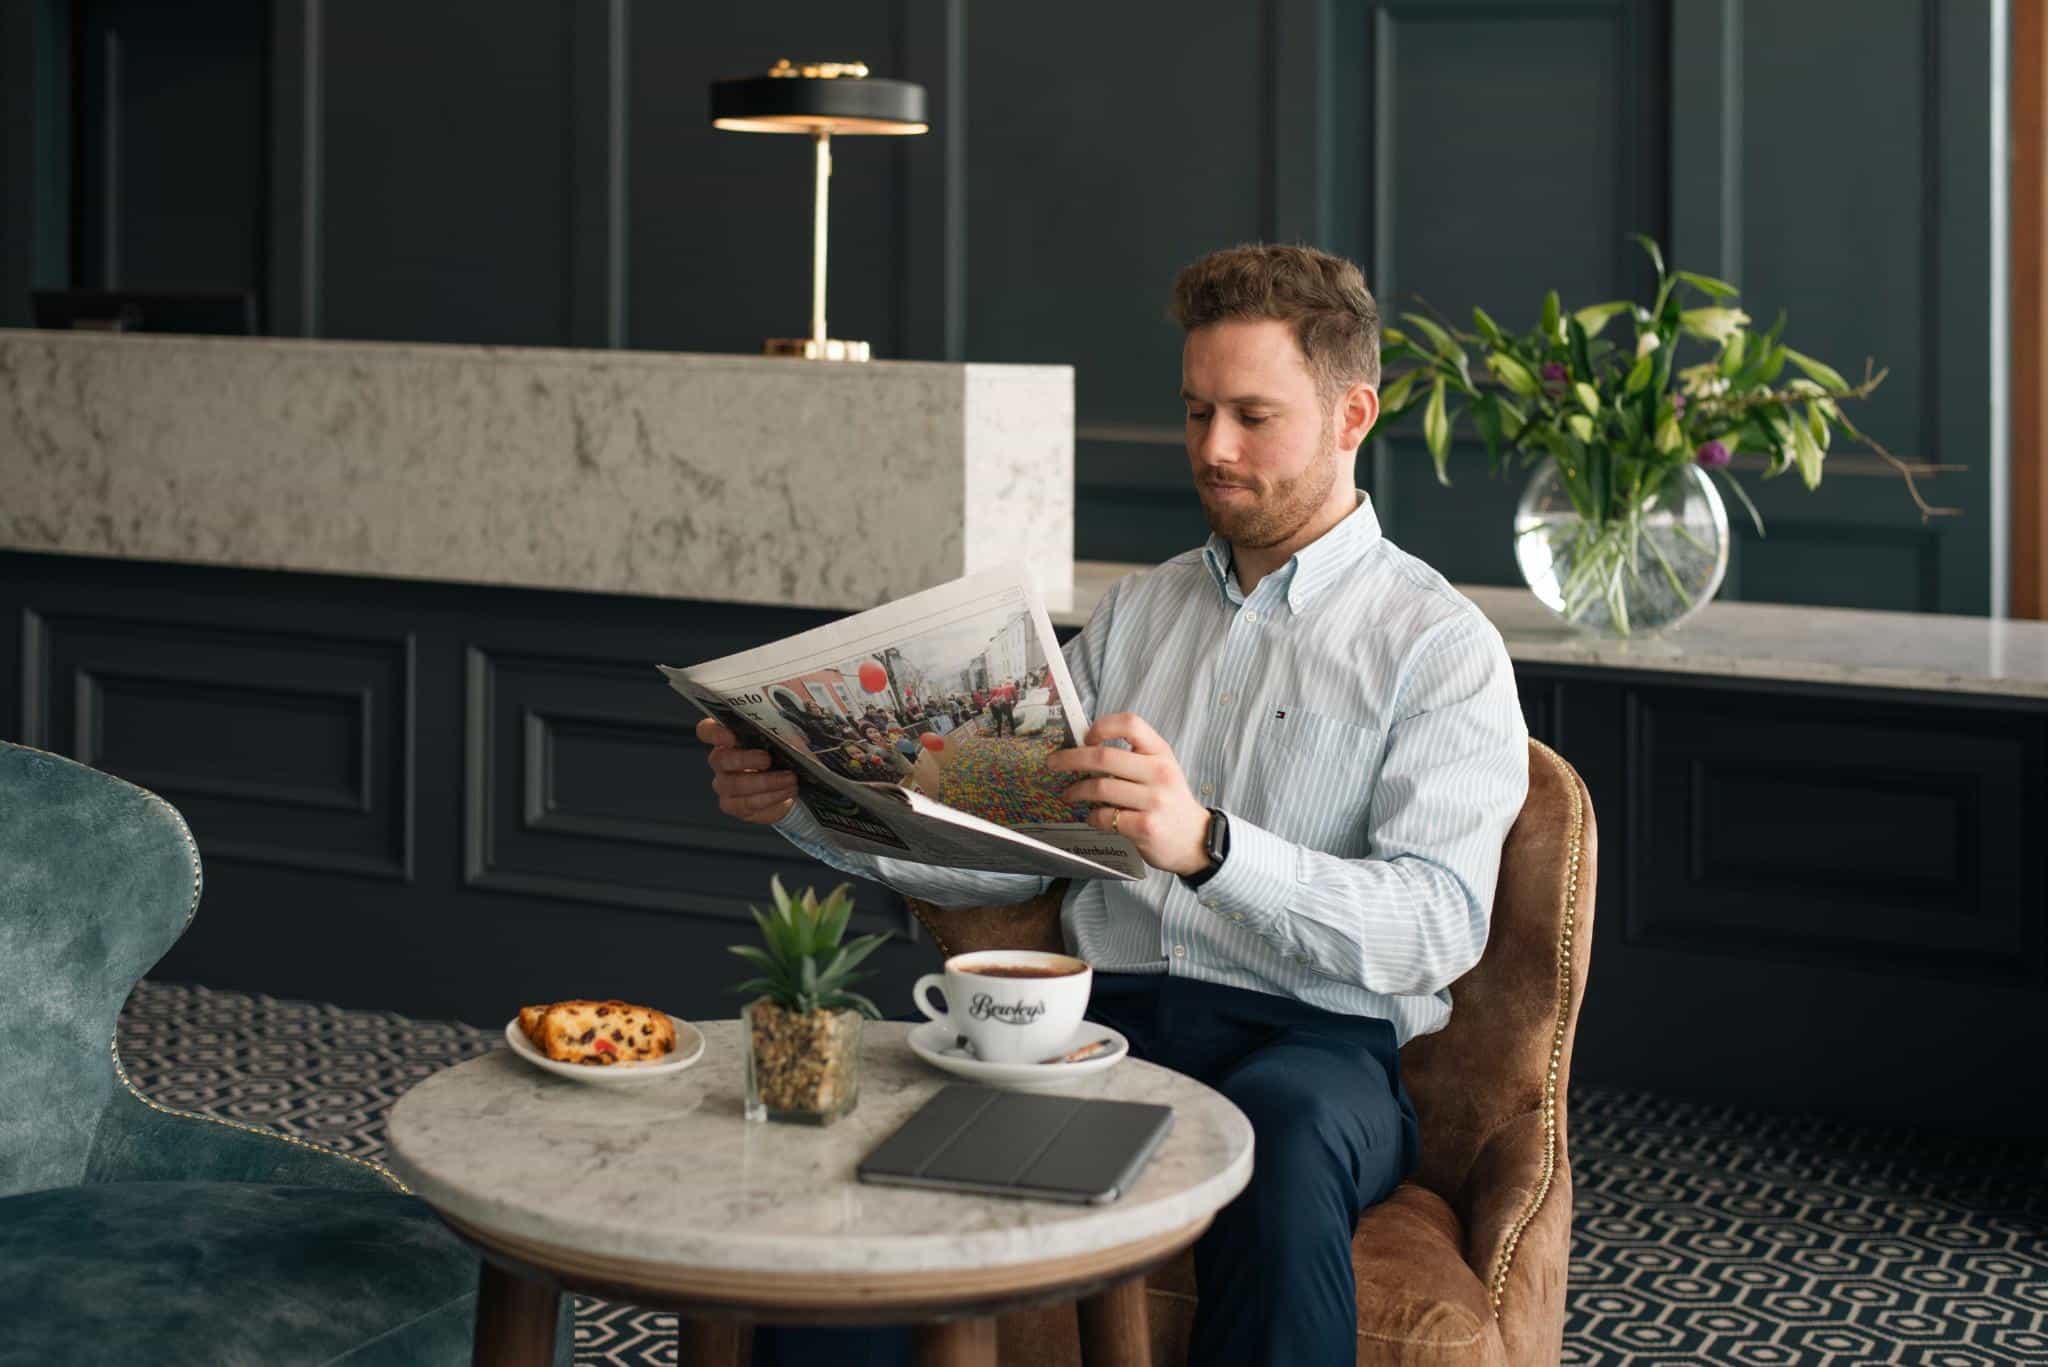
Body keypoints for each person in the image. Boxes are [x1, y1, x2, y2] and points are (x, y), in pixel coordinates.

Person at [700, 243, 1528, 1367]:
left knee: (1282, 1139)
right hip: (1101, 1026)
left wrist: (1210, 845)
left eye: (1252, 416)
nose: (1213, 449)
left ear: (1352, 417)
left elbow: (1437, 923)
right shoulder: (1135, 616)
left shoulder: (1439, 646)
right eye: (1195, 412)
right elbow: (1004, 849)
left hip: (1318, 1047)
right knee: (875, 1184)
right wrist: (807, 803)